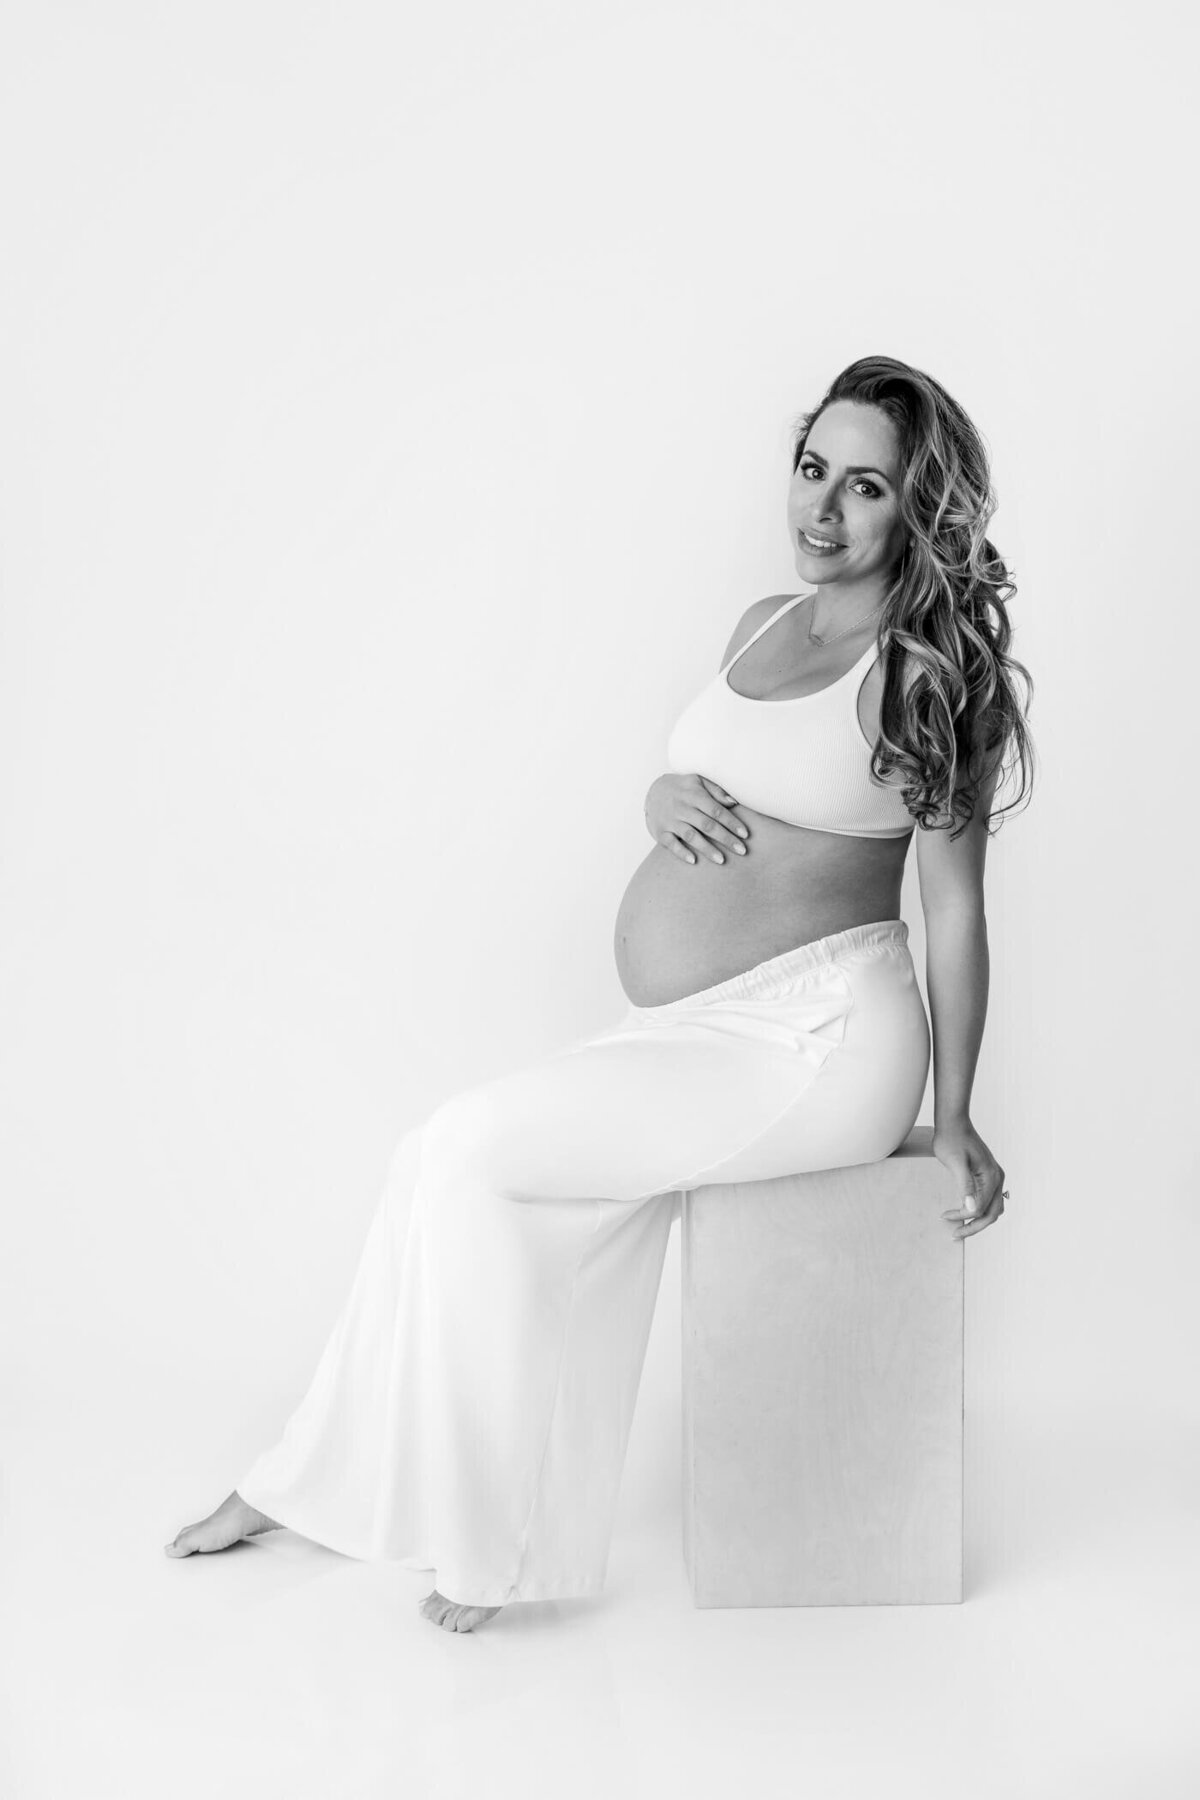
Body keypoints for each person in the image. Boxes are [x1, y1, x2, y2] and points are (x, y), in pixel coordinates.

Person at [164, 354, 1035, 1633]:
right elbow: (711, 773)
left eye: (867, 488)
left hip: (818, 1041)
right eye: (813, 470)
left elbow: (953, 909)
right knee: (435, 1160)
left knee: (472, 1150)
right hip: (702, 1028)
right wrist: (657, 799)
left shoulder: (919, 675)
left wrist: (953, 1113)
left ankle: (484, 1544)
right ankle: (310, 1483)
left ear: (920, 509)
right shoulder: (760, 624)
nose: (823, 510)